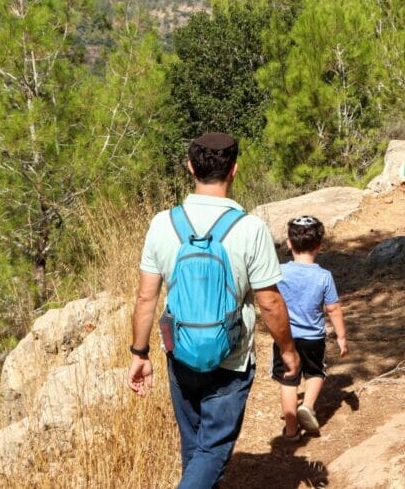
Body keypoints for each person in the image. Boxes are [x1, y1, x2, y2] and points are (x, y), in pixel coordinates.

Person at [126, 132, 300, 489]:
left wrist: (139, 353)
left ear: (190, 167)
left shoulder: (162, 223)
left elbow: (146, 298)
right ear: (234, 170)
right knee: (212, 450)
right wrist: (288, 350)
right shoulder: (250, 229)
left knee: (195, 447)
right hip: (230, 359)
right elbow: (269, 302)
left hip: (180, 354)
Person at [271, 215, 348, 441]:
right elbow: (333, 309)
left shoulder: (278, 272)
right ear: (319, 246)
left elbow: (271, 301)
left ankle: (292, 430)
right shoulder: (324, 276)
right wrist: (341, 337)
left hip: (285, 338)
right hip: (313, 337)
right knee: (315, 372)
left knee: (288, 380)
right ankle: (307, 406)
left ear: (289, 243)